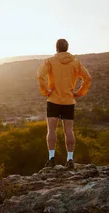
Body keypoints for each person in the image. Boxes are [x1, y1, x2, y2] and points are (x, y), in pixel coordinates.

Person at [36, 39, 92, 169]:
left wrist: (46, 91)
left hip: (53, 99)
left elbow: (40, 75)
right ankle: (70, 159)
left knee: (51, 130)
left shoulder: (49, 61)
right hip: (69, 100)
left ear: (56, 48)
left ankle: (51, 158)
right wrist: (79, 92)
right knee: (69, 131)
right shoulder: (75, 62)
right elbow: (88, 77)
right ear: (67, 48)